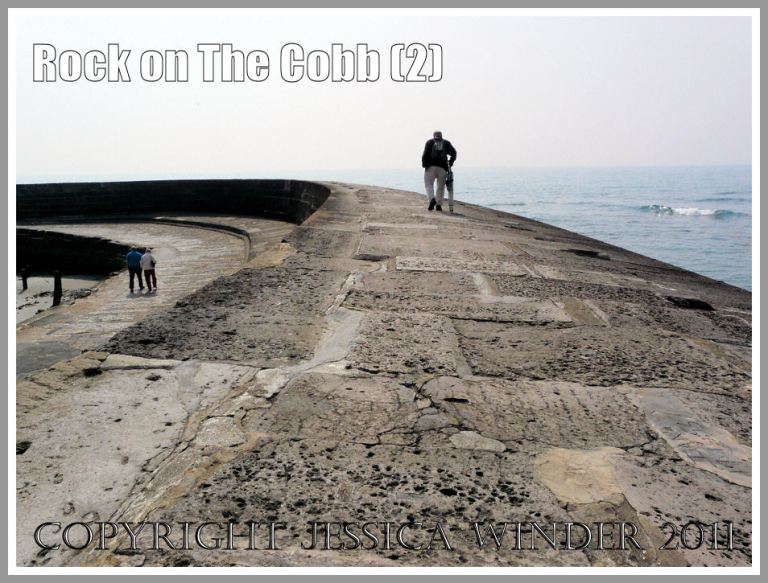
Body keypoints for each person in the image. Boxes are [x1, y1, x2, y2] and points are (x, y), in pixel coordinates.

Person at [421, 130, 457, 212]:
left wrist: (425, 165)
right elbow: (454, 153)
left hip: (430, 167)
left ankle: (431, 199)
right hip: (443, 168)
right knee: (440, 187)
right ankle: (438, 205)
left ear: (433, 135)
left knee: (428, 184)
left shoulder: (429, 142)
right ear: (441, 135)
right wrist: (450, 162)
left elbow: (425, 154)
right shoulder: (446, 143)